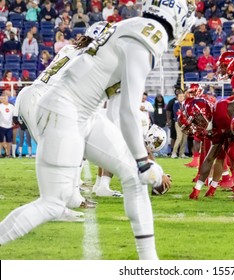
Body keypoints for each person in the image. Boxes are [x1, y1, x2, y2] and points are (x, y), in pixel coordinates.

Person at [0, 1, 195, 260]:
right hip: (64, 110)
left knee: (133, 177)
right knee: (53, 203)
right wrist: (145, 163)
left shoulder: (129, 26)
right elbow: (126, 111)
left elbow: (116, 113)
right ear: (177, 13)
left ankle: (150, 264)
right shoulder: (150, 36)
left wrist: (142, 162)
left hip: (84, 113)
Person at [171, 91, 187, 158]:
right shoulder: (176, 105)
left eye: (182, 96)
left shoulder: (186, 104)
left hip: (186, 123)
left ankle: (181, 153)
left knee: (184, 139)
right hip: (178, 123)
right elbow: (178, 113)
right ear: (177, 98)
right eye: (180, 96)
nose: (181, 98)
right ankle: (174, 153)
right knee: (179, 138)